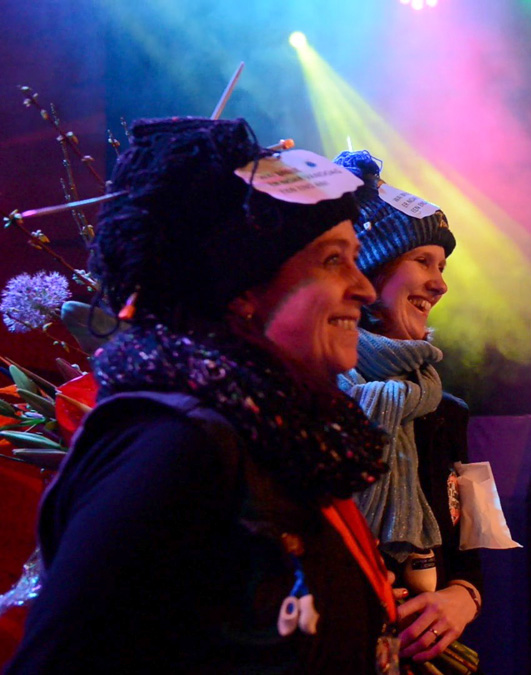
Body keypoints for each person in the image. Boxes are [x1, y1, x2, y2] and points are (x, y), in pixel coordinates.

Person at [7, 118, 398, 673]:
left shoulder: (284, 434)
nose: (364, 288)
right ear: (242, 289)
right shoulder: (171, 446)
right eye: (333, 259)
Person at [332, 151, 483, 664]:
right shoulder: (313, 399)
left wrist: (461, 599)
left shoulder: (445, 411)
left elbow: (471, 548)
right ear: (370, 270)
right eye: (422, 261)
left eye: (442, 267)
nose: (440, 283)